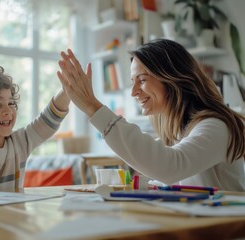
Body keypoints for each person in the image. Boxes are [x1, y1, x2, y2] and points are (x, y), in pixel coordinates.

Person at [57, 39, 245, 191]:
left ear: (173, 78)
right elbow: (161, 171)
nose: (134, 92)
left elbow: (170, 167)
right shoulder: (178, 132)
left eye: (142, 80)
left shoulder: (216, 126)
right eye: (133, 82)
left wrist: (93, 107)